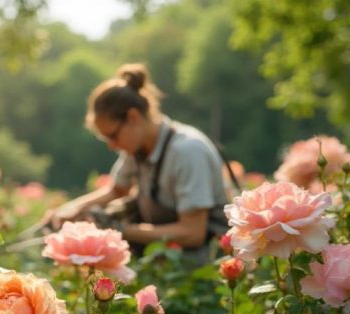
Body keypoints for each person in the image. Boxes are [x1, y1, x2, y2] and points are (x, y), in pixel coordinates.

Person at [47, 63, 229, 264]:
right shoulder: (137, 149)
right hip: (168, 258)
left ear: (133, 117)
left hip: (208, 263)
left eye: (113, 136)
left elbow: (192, 233)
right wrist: (67, 211)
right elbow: (116, 191)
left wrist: (118, 230)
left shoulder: (187, 151)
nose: (112, 146)